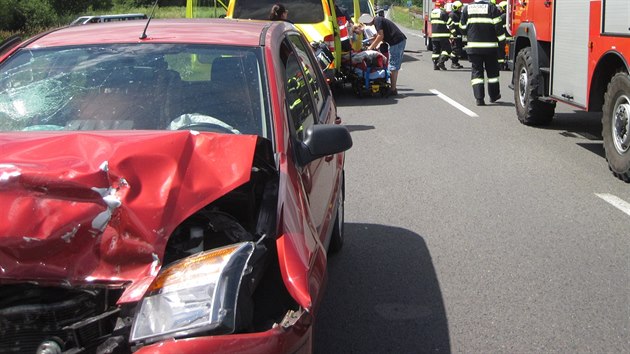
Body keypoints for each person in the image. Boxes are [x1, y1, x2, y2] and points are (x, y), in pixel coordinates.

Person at [460, 0, 503, 106]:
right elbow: (498, 28)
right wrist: (501, 46)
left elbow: (462, 28)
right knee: (492, 74)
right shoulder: (492, 8)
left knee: (477, 72)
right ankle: (494, 96)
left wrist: (470, 32)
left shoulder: (467, 9)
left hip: (473, 47)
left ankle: (479, 99)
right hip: (490, 48)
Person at [358, 13, 407, 96]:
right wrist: (367, 42)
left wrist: (370, 47)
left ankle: (393, 89)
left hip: (396, 41)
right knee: (393, 65)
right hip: (398, 41)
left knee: (393, 66)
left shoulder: (377, 21)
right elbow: (378, 36)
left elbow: (380, 36)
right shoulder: (378, 20)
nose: (366, 25)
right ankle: (393, 88)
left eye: (366, 23)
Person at [430, 1, 451, 70]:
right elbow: (449, 23)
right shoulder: (443, 13)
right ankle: (441, 62)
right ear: (442, 5)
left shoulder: (432, 13)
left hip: (434, 36)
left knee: (436, 51)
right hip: (443, 36)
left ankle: (435, 65)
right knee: (447, 49)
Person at [447, 1, 464, 69]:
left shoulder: (459, 14)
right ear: (456, 7)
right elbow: (450, 25)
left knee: (459, 49)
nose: (461, 9)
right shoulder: (452, 15)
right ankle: (453, 63)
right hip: (454, 36)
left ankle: (456, 62)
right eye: (460, 8)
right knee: (455, 50)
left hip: (458, 35)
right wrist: (454, 33)